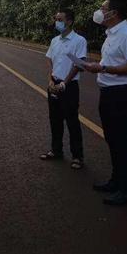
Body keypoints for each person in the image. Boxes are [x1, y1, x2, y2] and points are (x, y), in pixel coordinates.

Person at [84, 0, 127, 206]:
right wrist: (98, 66)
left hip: (122, 94)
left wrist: (103, 68)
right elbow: (110, 62)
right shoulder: (111, 35)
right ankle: (116, 181)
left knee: (124, 142)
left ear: (114, 13)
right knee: (112, 139)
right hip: (108, 92)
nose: (100, 12)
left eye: (103, 8)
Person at [39, 9, 87, 170]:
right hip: (54, 84)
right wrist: (50, 80)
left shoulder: (79, 41)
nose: (57, 22)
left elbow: (79, 64)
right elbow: (49, 60)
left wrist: (65, 82)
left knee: (72, 120)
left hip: (69, 86)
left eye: (60, 19)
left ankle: (77, 156)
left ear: (69, 21)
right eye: (56, 19)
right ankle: (56, 150)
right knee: (55, 119)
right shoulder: (55, 41)